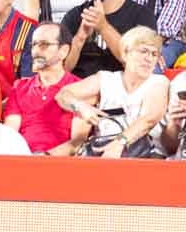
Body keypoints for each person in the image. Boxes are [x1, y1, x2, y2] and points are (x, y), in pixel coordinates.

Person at [56, 26, 170, 158]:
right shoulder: (106, 79)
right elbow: (63, 94)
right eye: (143, 51)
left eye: (154, 54)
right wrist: (80, 106)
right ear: (126, 53)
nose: (149, 58)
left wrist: (120, 142)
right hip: (103, 151)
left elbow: (149, 119)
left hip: (145, 156)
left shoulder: (158, 82)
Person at [4, 21, 80, 154]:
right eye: (33, 45)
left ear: (64, 51)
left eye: (44, 45)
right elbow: (10, 136)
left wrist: (44, 158)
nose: (36, 51)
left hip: (61, 164)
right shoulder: (20, 88)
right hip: (21, 161)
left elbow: (77, 143)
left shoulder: (80, 88)